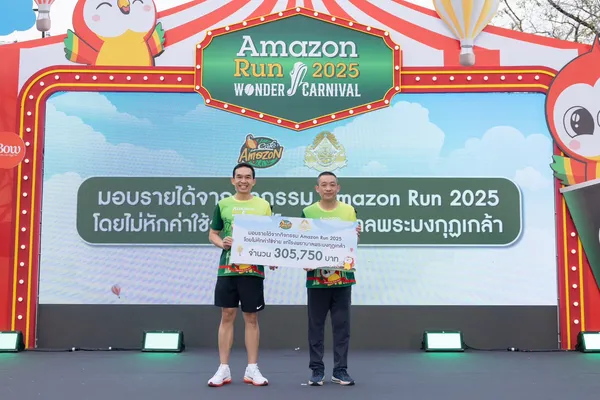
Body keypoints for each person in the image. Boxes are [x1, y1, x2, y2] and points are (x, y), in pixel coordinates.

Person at [207, 162, 273, 387]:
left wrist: (272, 257)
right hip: (227, 269)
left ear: (254, 181)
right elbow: (213, 234)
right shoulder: (223, 204)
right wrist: (222, 243)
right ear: (233, 180)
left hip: (253, 270)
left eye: (247, 177)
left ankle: (252, 368)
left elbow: (270, 236)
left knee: (251, 317)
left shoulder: (263, 205)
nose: (243, 181)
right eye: (239, 177)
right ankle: (223, 369)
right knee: (227, 315)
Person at [301, 171, 360, 386]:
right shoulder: (308, 211)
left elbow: (351, 243)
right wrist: (304, 259)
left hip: (342, 277)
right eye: (324, 185)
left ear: (338, 188)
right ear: (317, 189)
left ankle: (340, 371)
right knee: (315, 326)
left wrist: (356, 236)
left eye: (332, 184)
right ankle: (317, 371)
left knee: (342, 327)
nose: (328, 188)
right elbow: (302, 241)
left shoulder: (348, 210)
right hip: (316, 278)